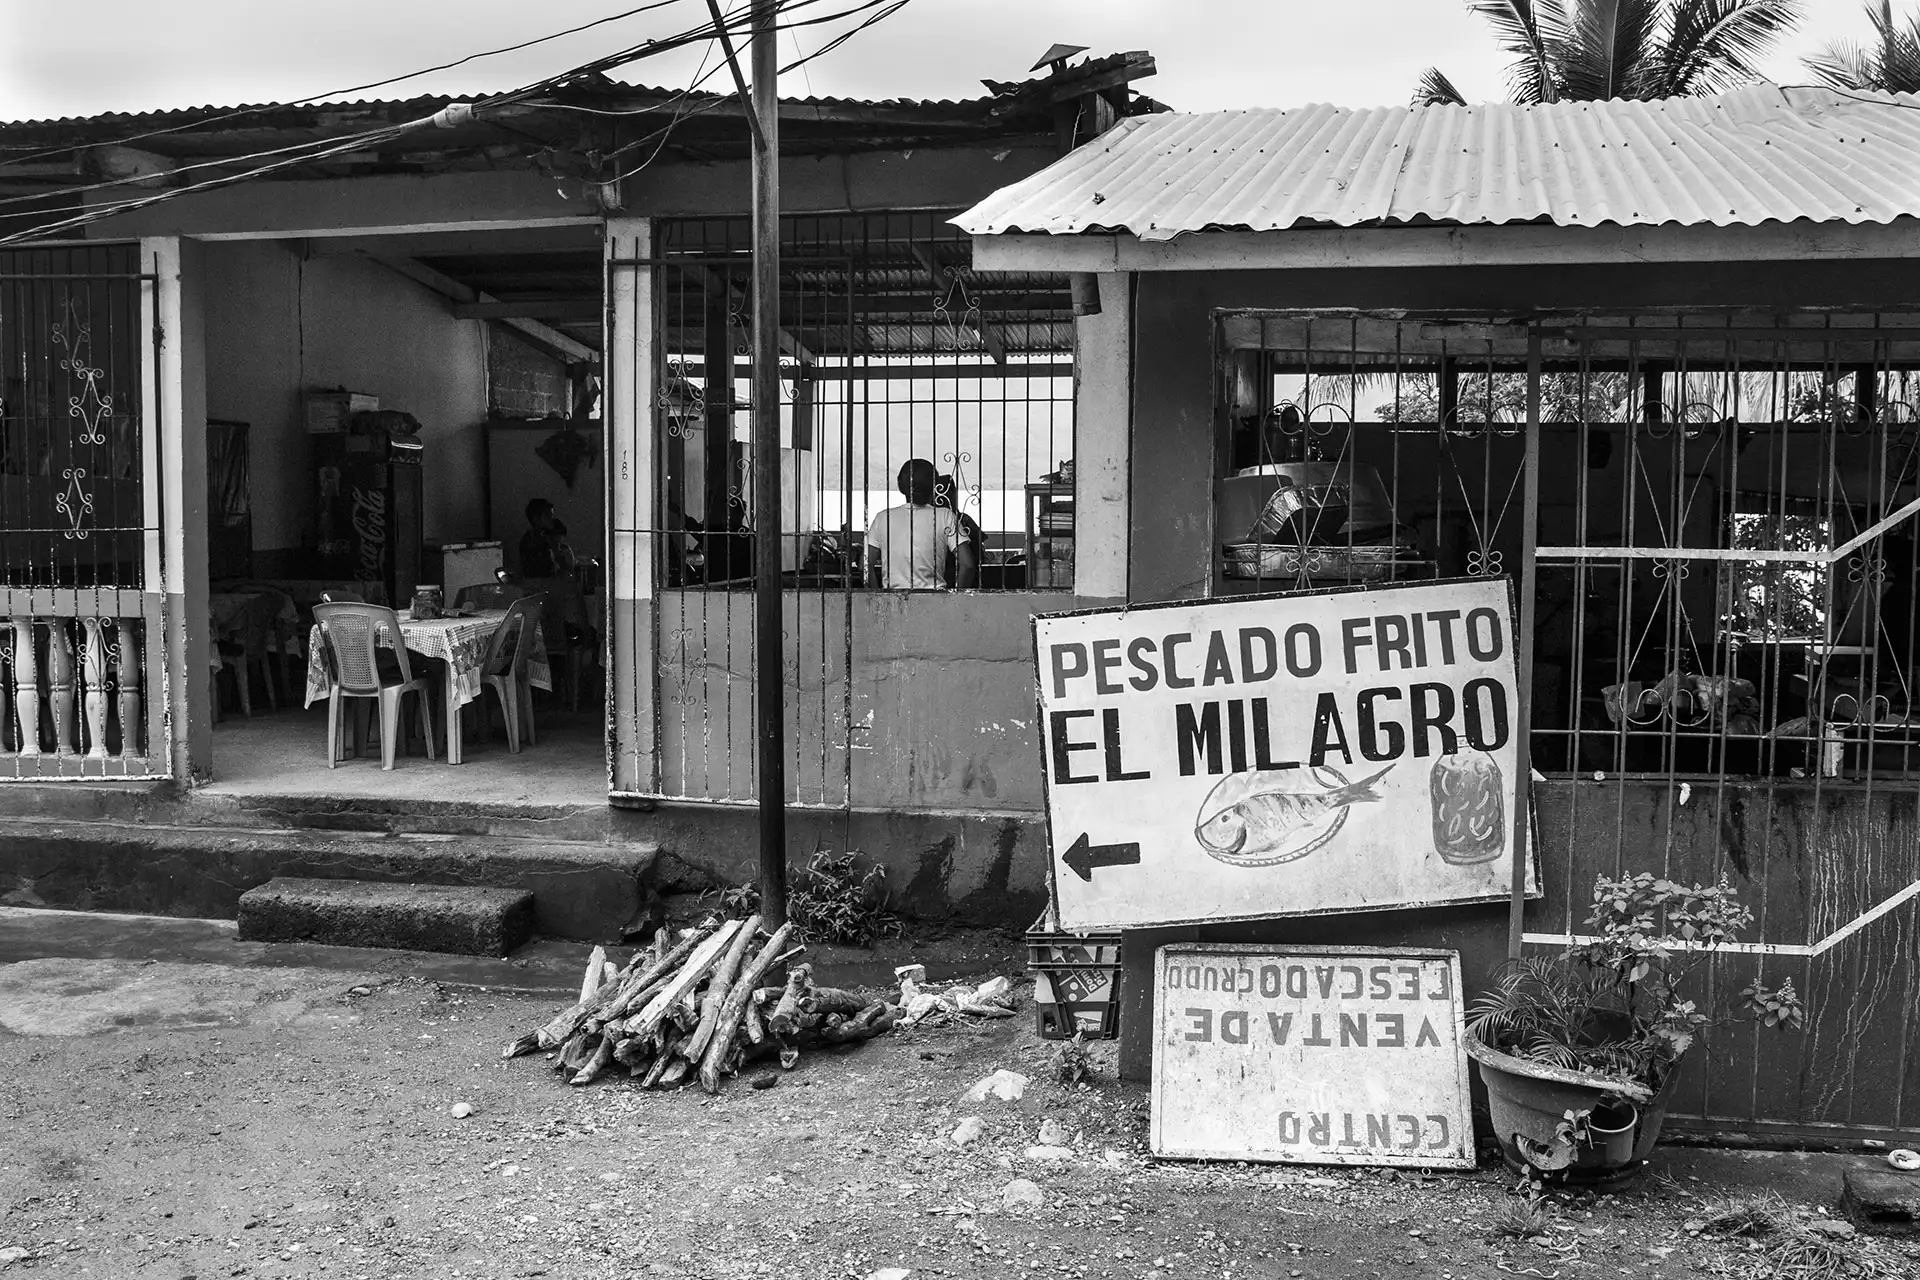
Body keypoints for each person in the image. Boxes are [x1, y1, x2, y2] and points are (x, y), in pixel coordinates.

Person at [866, 458, 977, 589]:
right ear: (935, 486)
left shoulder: (883, 518)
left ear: (901, 486)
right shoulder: (945, 516)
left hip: (893, 602)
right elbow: (968, 565)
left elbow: (865, 565)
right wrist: (956, 600)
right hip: (935, 600)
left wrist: (876, 597)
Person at [519, 498, 559, 578]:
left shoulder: (548, 537)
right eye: (548, 516)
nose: (551, 520)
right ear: (535, 519)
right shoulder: (530, 542)